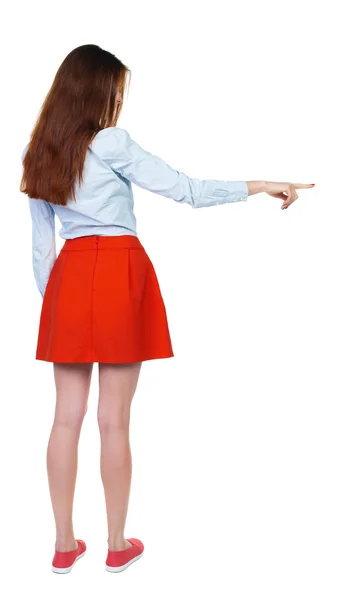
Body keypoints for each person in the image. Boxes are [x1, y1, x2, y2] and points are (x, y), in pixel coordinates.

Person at [20, 44, 315, 574]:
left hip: (68, 278)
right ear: (97, 90)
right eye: (114, 89)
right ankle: (115, 544)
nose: (117, 99)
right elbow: (188, 190)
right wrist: (261, 185)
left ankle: (64, 544)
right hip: (116, 270)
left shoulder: (41, 149)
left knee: (65, 418)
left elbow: (41, 249)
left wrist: (56, 308)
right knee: (114, 419)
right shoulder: (110, 141)